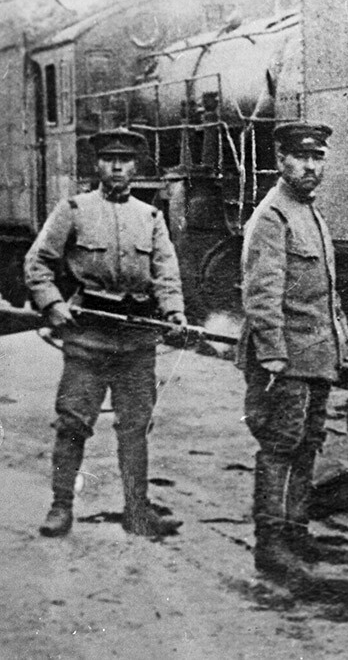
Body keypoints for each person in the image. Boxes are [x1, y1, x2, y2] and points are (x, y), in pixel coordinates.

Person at [25, 127, 187, 538]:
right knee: (73, 424)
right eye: (109, 159)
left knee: (135, 429)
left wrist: (174, 313)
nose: (117, 166)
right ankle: (61, 506)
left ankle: (137, 511)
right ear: (97, 165)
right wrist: (54, 305)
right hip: (88, 339)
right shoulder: (74, 210)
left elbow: (166, 274)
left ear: (136, 167)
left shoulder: (150, 217)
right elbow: (37, 263)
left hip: (135, 342)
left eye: (126, 160)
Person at [237, 121, 348, 586]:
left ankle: (296, 530)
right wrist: (271, 356)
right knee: (279, 447)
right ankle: (270, 545)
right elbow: (261, 297)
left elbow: (326, 294)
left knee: (308, 445)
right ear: (281, 161)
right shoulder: (272, 217)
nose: (311, 166)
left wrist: (341, 341)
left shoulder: (309, 213)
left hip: (315, 355)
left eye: (318, 157)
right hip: (284, 359)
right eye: (301, 157)